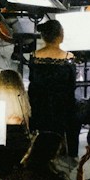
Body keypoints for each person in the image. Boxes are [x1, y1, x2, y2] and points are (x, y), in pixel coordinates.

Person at [26, 16, 82, 159]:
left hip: (40, 108)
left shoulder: (34, 56)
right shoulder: (68, 58)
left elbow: (33, 82)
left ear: (44, 37)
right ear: (60, 36)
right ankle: (70, 153)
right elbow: (72, 86)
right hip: (62, 109)